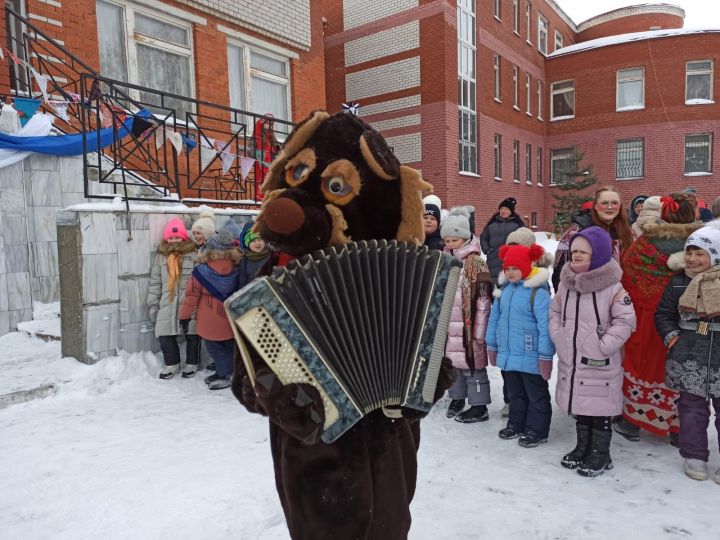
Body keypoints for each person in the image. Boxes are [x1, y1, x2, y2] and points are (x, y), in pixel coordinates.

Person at [550, 227, 636, 477]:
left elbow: (626, 320)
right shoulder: (567, 284)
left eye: (583, 252)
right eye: (574, 251)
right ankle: (582, 447)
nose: (576, 256)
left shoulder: (613, 287)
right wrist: (558, 334)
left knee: (599, 410)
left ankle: (600, 453)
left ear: (597, 254)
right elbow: (555, 311)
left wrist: (604, 344)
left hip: (599, 361)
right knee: (581, 405)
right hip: (573, 359)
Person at [615, 193, 701, 444]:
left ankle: (633, 422)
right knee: (681, 369)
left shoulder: (648, 240)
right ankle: (678, 428)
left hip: (646, 315)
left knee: (641, 362)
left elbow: (628, 269)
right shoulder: (699, 242)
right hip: (686, 319)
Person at [655, 223, 720, 484]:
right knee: (691, 407)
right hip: (688, 353)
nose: (692, 259)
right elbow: (664, 314)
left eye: (700, 253)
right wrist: (672, 338)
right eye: (689, 252)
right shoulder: (678, 283)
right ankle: (694, 454)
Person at [486, 243, 555, 448]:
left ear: (526, 267)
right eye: (507, 268)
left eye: (515, 268)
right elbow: (494, 319)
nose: (510, 272)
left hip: (531, 355)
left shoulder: (537, 294)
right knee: (514, 393)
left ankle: (537, 430)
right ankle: (516, 423)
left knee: (536, 395)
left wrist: (545, 356)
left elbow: (546, 327)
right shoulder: (504, 291)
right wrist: (492, 345)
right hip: (509, 354)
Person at [441, 207, 493, 423]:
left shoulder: (475, 263)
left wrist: (479, 331)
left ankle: (479, 406)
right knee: (453, 365)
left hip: (469, 325)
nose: (450, 244)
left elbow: (483, 299)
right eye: (447, 240)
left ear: (464, 238)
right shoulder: (444, 261)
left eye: (454, 240)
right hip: (448, 324)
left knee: (473, 366)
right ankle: (457, 397)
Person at [179, 230, 242, 390]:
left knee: (215, 347)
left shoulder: (202, 271)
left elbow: (191, 296)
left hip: (209, 316)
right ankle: (225, 371)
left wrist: (184, 317)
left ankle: (227, 375)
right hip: (230, 314)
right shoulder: (237, 267)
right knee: (228, 346)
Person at [147, 218, 200, 379]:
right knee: (164, 334)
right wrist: (153, 303)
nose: (174, 240)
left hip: (188, 302)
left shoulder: (193, 255)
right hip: (167, 302)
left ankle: (192, 363)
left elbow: (200, 279)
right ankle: (172, 364)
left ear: (183, 237)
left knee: (192, 334)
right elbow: (155, 281)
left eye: (177, 237)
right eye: (171, 237)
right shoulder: (161, 257)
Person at [552, 187, 633, 293]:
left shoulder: (627, 231)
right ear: (595, 206)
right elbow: (560, 270)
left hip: (619, 296)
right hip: (586, 297)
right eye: (604, 203)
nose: (610, 207)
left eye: (614, 203)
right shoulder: (578, 230)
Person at [480, 197, 524, 283]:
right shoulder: (492, 224)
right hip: (493, 259)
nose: (503, 211)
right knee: (494, 284)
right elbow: (483, 238)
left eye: (506, 209)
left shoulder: (517, 224)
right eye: (502, 208)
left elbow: (525, 239)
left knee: (509, 283)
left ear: (511, 211)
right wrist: (487, 249)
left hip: (512, 260)